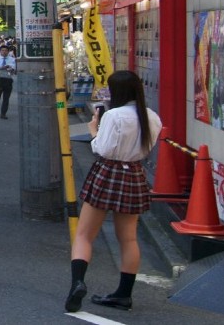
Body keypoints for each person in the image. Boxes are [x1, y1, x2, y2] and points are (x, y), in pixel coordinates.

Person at [65, 70, 163, 313]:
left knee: (84, 235)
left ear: (117, 91)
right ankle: (124, 294)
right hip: (134, 175)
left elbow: (101, 148)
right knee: (128, 238)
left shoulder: (113, 115)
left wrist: (92, 131)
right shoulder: (151, 117)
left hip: (107, 172)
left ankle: (78, 282)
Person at [0, 46, 17, 119]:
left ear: (8, 51)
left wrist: (10, 68)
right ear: (0, 51)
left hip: (8, 80)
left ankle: (3, 113)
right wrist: (3, 68)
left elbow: (14, 69)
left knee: (6, 98)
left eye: (6, 50)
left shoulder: (12, 60)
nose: (4, 52)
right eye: (2, 50)